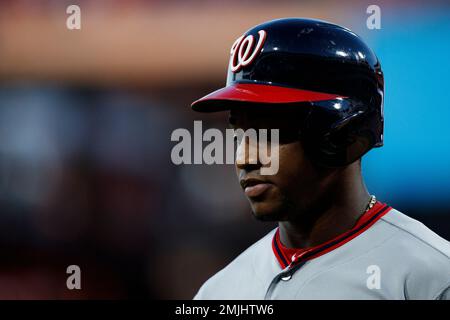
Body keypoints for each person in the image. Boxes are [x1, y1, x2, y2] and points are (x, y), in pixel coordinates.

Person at [191, 18, 450, 299]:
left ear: (342, 133)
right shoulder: (218, 292)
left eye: (269, 133)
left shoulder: (430, 275)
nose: (245, 158)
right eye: (240, 135)